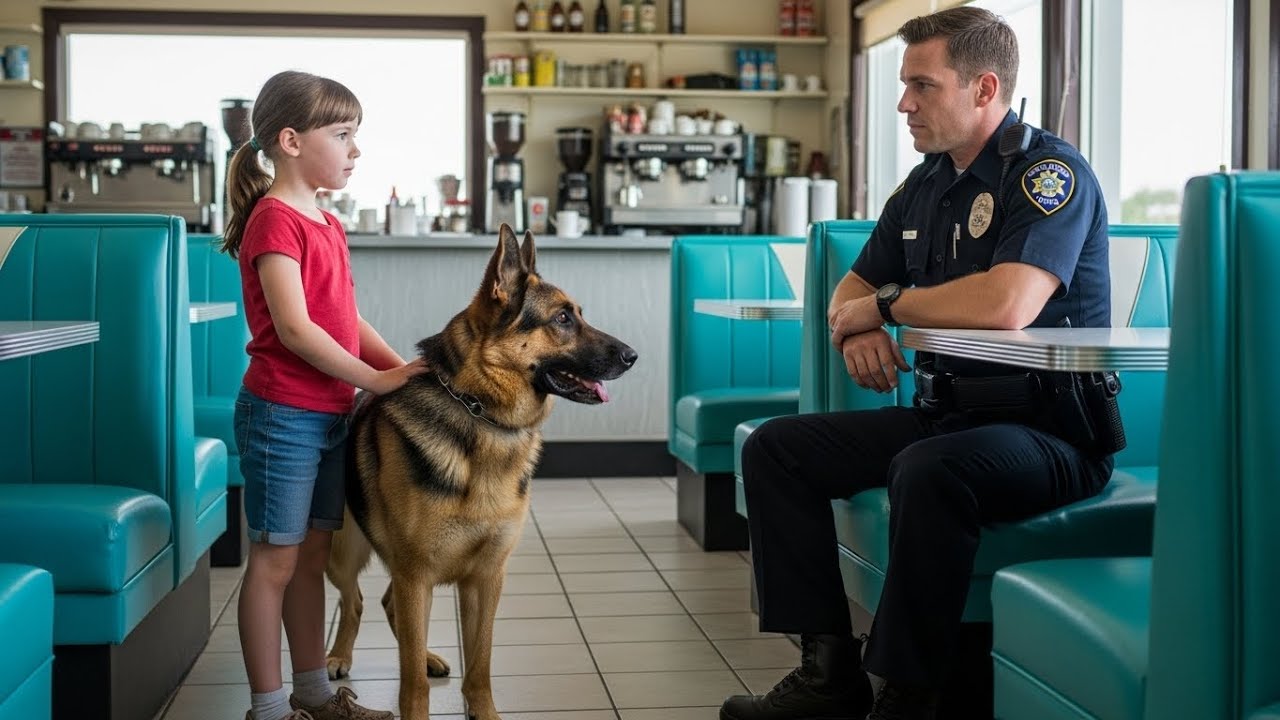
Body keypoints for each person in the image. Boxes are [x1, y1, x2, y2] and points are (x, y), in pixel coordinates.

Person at [719, 7, 1114, 720]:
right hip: (947, 415)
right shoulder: (926, 184)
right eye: (904, 85)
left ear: (984, 88)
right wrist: (854, 326)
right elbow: (851, 291)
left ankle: (906, 697)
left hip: (1052, 434)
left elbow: (1008, 303)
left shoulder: (1048, 175)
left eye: (922, 86)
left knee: (928, 471)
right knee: (779, 450)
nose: (904, 103)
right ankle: (827, 676)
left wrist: (887, 308)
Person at [221, 70, 427, 720]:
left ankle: (312, 694)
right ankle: (268, 707)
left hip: (330, 416)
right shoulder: (273, 221)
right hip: (283, 417)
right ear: (289, 140)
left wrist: (405, 370)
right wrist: (380, 382)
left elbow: (344, 319)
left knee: (310, 561)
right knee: (273, 563)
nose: (354, 150)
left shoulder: (327, 223)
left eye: (355, 135)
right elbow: (296, 329)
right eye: (342, 134)